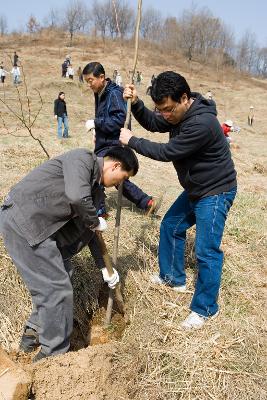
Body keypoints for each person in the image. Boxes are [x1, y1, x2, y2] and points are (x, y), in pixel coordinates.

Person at [120, 71, 237, 329]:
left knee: (207, 250)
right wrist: (137, 103)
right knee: (171, 226)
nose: (165, 115)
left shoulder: (202, 124)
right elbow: (153, 122)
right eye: (161, 109)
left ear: (185, 98)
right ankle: (174, 278)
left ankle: (206, 309)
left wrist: (132, 141)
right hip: (196, 188)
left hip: (215, 191)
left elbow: (167, 151)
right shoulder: (177, 113)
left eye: (168, 109)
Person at [0, 146, 139, 362]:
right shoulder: (82, 160)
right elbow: (76, 198)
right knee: (57, 288)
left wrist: (104, 267)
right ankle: (52, 356)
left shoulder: (96, 191)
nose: (119, 185)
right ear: (115, 165)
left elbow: (93, 233)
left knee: (64, 275)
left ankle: (33, 334)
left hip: (41, 229)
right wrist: (94, 220)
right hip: (25, 221)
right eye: (122, 178)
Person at [82, 61, 157, 216]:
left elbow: (120, 120)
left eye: (90, 80)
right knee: (117, 179)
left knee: (99, 171)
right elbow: (105, 117)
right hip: (106, 140)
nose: (89, 84)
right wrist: (98, 130)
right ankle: (146, 202)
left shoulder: (114, 93)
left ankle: (99, 210)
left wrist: (96, 122)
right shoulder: (99, 92)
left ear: (101, 77)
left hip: (114, 142)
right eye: (87, 81)